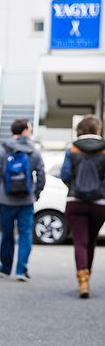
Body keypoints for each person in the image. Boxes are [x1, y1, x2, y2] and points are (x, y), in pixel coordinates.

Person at [0, 118, 45, 281]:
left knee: (7, 234)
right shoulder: (33, 151)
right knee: (25, 234)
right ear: (25, 131)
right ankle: (21, 270)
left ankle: (6, 268)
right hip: (26, 201)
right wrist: (35, 194)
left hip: (6, 201)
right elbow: (41, 176)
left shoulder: (3, 150)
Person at [60, 115, 105, 298]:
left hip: (75, 202)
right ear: (97, 129)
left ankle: (82, 279)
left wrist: (74, 188)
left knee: (79, 241)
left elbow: (64, 175)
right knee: (91, 241)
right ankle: (88, 276)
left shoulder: (72, 148)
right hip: (99, 204)